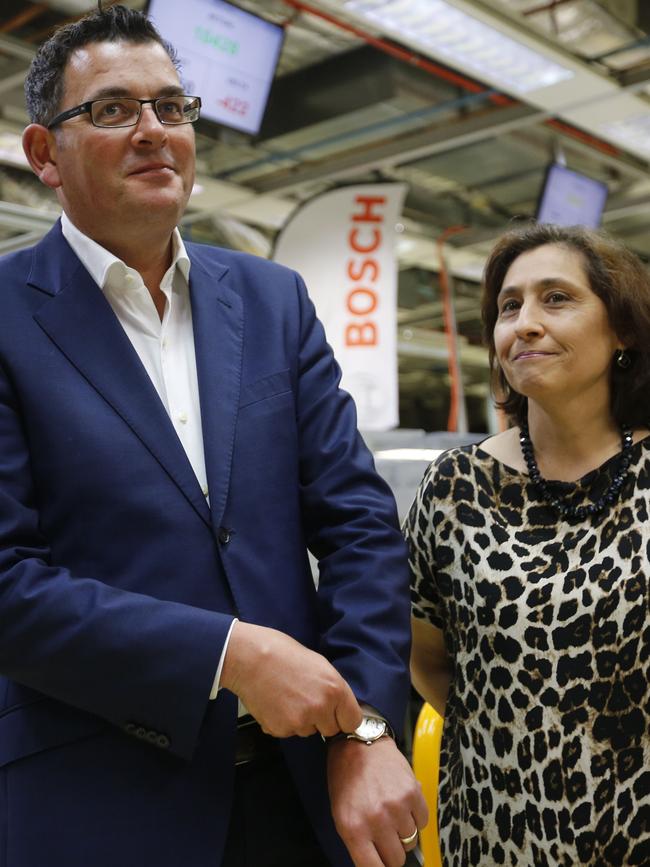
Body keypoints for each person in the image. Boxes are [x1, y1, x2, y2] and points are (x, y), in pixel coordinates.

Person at [0, 6, 427, 867]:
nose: (156, 132)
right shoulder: (8, 316)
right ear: (46, 154)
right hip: (98, 802)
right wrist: (228, 653)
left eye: (174, 106)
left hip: (308, 790)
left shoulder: (272, 302)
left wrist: (368, 727)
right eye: (114, 110)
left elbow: (357, 526)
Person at [405, 222, 650, 866]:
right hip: (496, 828)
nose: (526, 322)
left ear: (622, 330)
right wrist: (515, 738)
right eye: (509, 307)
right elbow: (426, 656)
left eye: (557, 298)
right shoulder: (455, 487)